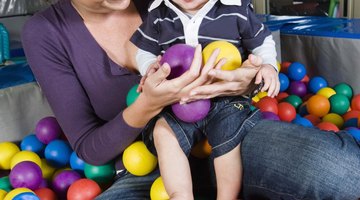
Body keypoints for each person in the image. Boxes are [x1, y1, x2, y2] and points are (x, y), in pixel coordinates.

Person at [21, 0, 360, 199]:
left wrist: (247, 79)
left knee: (340, 170)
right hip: (148, 162)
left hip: (229, 132)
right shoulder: (47, 32)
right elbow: (89, 148)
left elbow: (247, 45)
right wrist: (148, 104)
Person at [130, 0, 279, 199]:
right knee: (163, 132)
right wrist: (150, 67)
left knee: (229, 139)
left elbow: (262, 42)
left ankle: (226, 196)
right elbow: (145, 51)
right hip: (180, 101)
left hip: (226, 99)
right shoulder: (159, 13)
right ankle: (180, 194)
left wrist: (268, 66)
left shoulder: (236, 8)